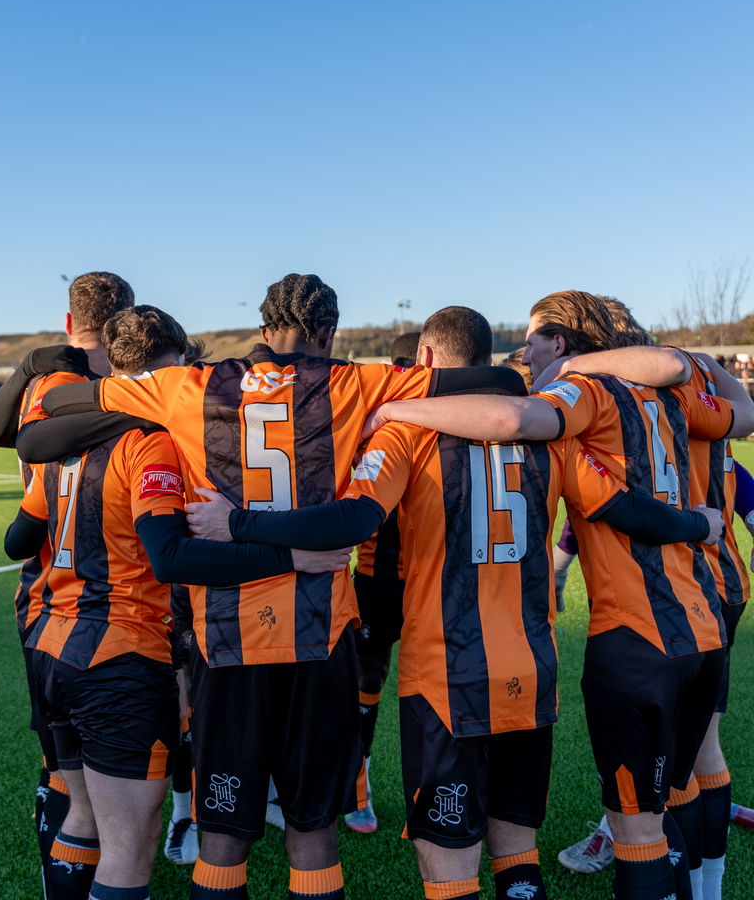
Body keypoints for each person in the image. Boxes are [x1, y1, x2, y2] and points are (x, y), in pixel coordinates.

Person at [186, 305, 724, 900]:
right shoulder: (552, 437)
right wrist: (697, 524)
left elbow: (350, 521)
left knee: (451, 871)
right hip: (532, 669)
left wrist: (238, 524)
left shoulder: (405, 431)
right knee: (517, 855)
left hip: (447, 675)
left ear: (424, 359)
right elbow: (624, 507)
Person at [27, 273, 525, 900]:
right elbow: (500, 382)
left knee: (221, 839)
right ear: (329, 333)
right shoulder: (356, 382)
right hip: (320, 639)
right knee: (313, 833)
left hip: (227, 642)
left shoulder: (187, 385)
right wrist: (397, 406)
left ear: (263, 328)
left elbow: (53, 414)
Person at [354, 290, 754, 900]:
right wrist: (698, 524)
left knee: (635, 829)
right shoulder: (670, 396)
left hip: (611, 638)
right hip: (696, 621)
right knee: (677, 789)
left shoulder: (576, 397)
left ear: (563, 343)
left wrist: (398, 410)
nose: (527, 352)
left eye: (534, 340)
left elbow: (514, 423)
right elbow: (733, 414)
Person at [7, 304, 350, 900]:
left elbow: (18, 540)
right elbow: (170, 557)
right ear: (172, 367)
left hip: (51, 644)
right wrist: (291, 557)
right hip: (117, 651)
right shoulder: (153, 440)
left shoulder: (67, 443)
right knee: (127, 849)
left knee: (85, 816)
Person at [0, 271, 134, 890]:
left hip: (41, 594)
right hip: (113, 600)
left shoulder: (41, 382)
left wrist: (26, 366)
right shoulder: (121, 387)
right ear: (125, 322)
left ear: (70, 321)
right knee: (115, 775)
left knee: (62, 763)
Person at [345, 330, 420, 835]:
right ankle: (358, 789)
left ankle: (435, 788)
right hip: (375, 581)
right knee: (365, 683)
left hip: (429, 580)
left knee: (431, 687)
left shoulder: (447, 422)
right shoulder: (367, 427)